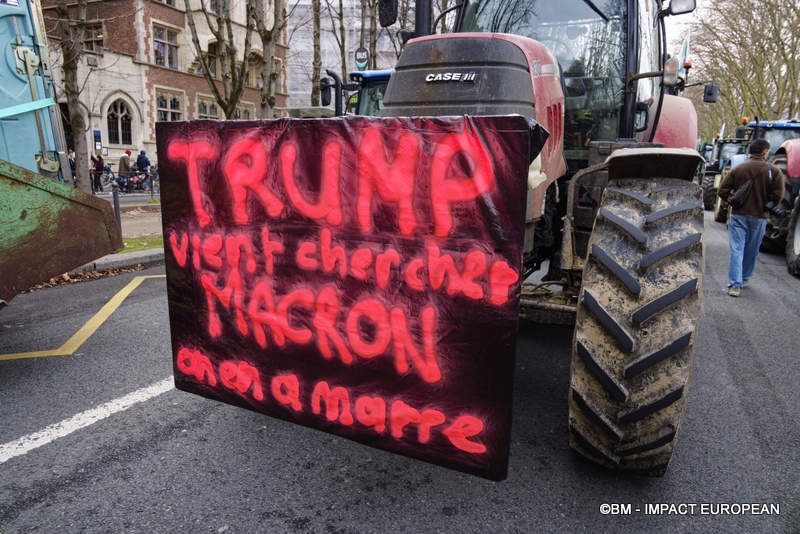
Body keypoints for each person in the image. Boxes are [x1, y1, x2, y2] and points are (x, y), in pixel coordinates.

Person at [717, 138, 784, 296]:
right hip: (759, 217)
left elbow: (722, 191)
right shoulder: (773, 171)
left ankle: (734, 285)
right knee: (752, 250)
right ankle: (745, 277)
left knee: (736, 249)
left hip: (738, 215)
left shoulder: (738, 168)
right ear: (764, 152)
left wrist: (734, 200)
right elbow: (778, 195)